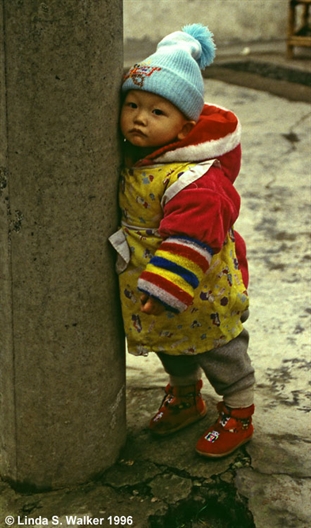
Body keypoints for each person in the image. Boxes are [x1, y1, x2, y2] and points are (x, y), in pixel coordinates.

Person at [109, 23, 255, 458]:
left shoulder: (193, 179)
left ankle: (239, 410)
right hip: (156, 286)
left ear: (183, 128)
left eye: (158, 112)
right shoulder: (141, 158)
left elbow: (194, 234)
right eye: (132, 104)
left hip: (199, 286)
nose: (139, 117)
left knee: (220, 349)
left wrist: (167, 284)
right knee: (170, 344)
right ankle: (186, 396)